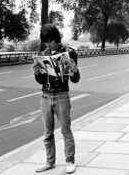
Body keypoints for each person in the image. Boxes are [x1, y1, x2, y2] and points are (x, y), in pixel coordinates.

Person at [33, 24, 80, 173]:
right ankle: (50, 162)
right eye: (45, 42)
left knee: (65, 130)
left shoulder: (69, 53)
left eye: (50, 41)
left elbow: (75, 79)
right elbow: (40, 81)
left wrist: (74, 70)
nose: (48, 44)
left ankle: (70, 161)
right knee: (48, 133)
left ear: (56, 39)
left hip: (62, 95)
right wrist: (38, 72)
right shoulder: (43, 54)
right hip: (45, 95)